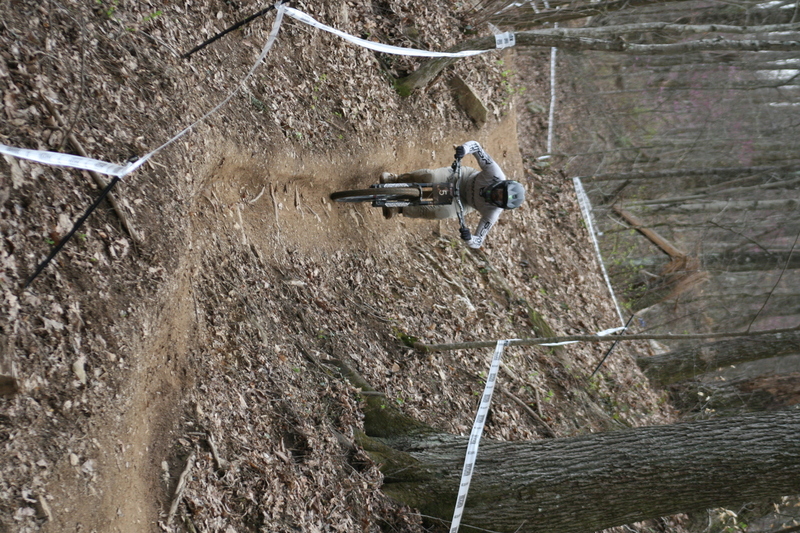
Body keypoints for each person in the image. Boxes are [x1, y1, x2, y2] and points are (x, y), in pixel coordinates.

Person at [380, 141, 525, 249]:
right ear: (501, 183)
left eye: (499, 200)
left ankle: (399, 208)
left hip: (463, 202)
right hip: (463, 178)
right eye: (500, 192)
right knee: (430, 177)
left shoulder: (492, 213)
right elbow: (476, 147)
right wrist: (464, 149)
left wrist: (468, 238)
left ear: (500, 206)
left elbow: (478, 241)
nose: (496, 196)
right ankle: (396, 179)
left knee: (439, 212)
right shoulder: (495, 173)